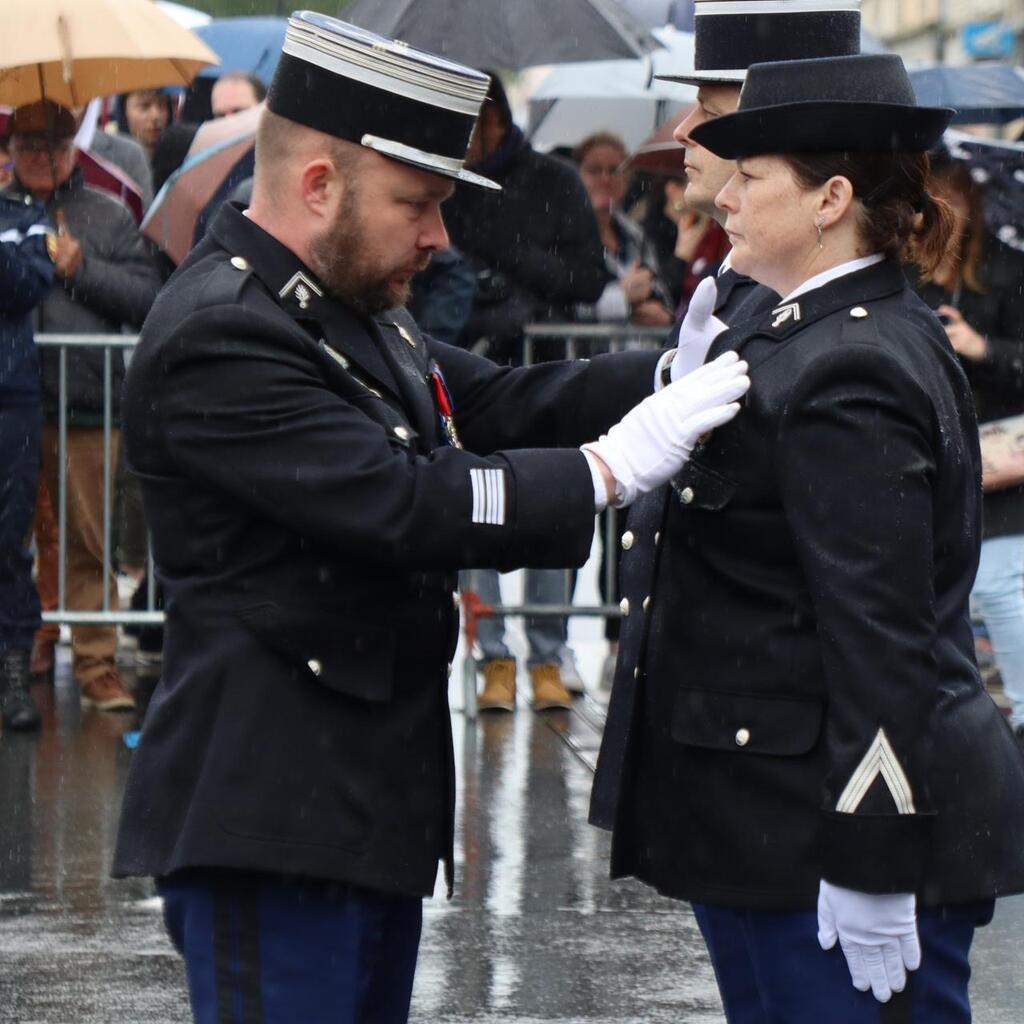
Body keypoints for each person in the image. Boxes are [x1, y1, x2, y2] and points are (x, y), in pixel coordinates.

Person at [110, 14, 750, 1024]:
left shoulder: (340, 299)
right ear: (320, 186)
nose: (438, 237)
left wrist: (673, 374)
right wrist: (609, 468)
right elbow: (401, 500)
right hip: (270, 818)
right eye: (416, 203)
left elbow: (492, 402)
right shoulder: (224, 331)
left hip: (359, 811)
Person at [592, 52, 1024, 1023]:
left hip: (833, 834)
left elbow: (879, 631)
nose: (725, 193)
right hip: (773, 822)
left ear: (830, 197)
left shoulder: (851, 364)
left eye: (753, 176)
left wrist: (872, 852)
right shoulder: (815, 331)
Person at [443, 73, 608, 710]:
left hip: (546, 376)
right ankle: (492, 656)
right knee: (475, 511)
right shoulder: (449, 184)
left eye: (469, 123)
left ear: (494, 118)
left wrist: (508, 263)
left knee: (551, 507)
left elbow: (586, 277)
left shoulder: (553, 181)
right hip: (473, 376)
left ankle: (547, 652)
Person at [5, 100, 161, 711]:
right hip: (11, 401)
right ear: (13, 149)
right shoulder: (1, 211)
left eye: (54, 144)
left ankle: (96, 661)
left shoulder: (108, 214)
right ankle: (32, 640)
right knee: (18, 536)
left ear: (74, 149)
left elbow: (146, 297)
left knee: (89, 540)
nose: (42, 155)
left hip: (88, 402)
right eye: (29, 144)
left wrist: (79, 269)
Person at [918, 153, 1024, 745]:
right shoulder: (912, 274)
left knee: (999, 582)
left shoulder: (1009, 272)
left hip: (1005, 456)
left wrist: (981, 346)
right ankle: (960, 716)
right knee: (944, 583)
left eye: (952, 197)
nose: (943, 211)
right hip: (941, 453)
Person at [0, 179, 54, 731]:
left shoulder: (27, 214)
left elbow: (29, 284)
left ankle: (14, 669)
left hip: (10, 396)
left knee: (7, 538)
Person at [575, 131, 674, 327]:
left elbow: (662, 292)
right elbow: (565, 306)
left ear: (627, 177)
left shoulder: (637, 235)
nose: (605, 179)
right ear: (576, 175)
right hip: (590, 354)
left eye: (614, 170)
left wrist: (665, 317)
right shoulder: (566, 236)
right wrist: (621, 297)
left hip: (639, 354)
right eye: (594, 170)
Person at [117, 89, 174, 164]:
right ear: (124, 112)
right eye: (144, 106)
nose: (155, 116)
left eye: (162, 105)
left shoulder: (182, 161)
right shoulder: (110, 163)